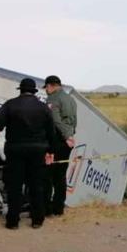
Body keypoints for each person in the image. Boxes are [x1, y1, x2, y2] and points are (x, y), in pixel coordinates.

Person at [0, 78, 57, 229]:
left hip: (15, 150)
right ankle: (37, 219)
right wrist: (51, 151)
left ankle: (13, 221)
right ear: (34, 91)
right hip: (37, 151)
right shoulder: (43, 108)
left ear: (20, 90)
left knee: (14, 186)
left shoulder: (10, 104)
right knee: (36, 185)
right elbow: (51, 132)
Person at [43, 75, 78, 217]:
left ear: (51, 86)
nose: (46, 91)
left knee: (48, 175)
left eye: (46, 87)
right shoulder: (70, 99)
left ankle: (46, 209)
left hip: (56, 140)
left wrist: (66, 136)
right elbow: (74, 122)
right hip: (66, 143)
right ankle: (59, 208)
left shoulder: (53, 99)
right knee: (61, 176)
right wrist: (71, 135)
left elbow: (55, 121)